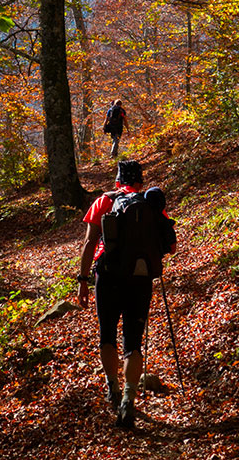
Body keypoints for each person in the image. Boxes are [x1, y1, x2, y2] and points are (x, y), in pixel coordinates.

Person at [77, 160, 176, 428]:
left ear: (118, 180)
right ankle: (129, 399)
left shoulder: (104, 202)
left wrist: (83, 280)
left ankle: (113, 389)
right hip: (141, 278)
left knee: (107, 334)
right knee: (133, 340)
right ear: (140, 182)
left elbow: (89, 243)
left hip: (107, 275)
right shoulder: (151, 204)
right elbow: (172, 245)